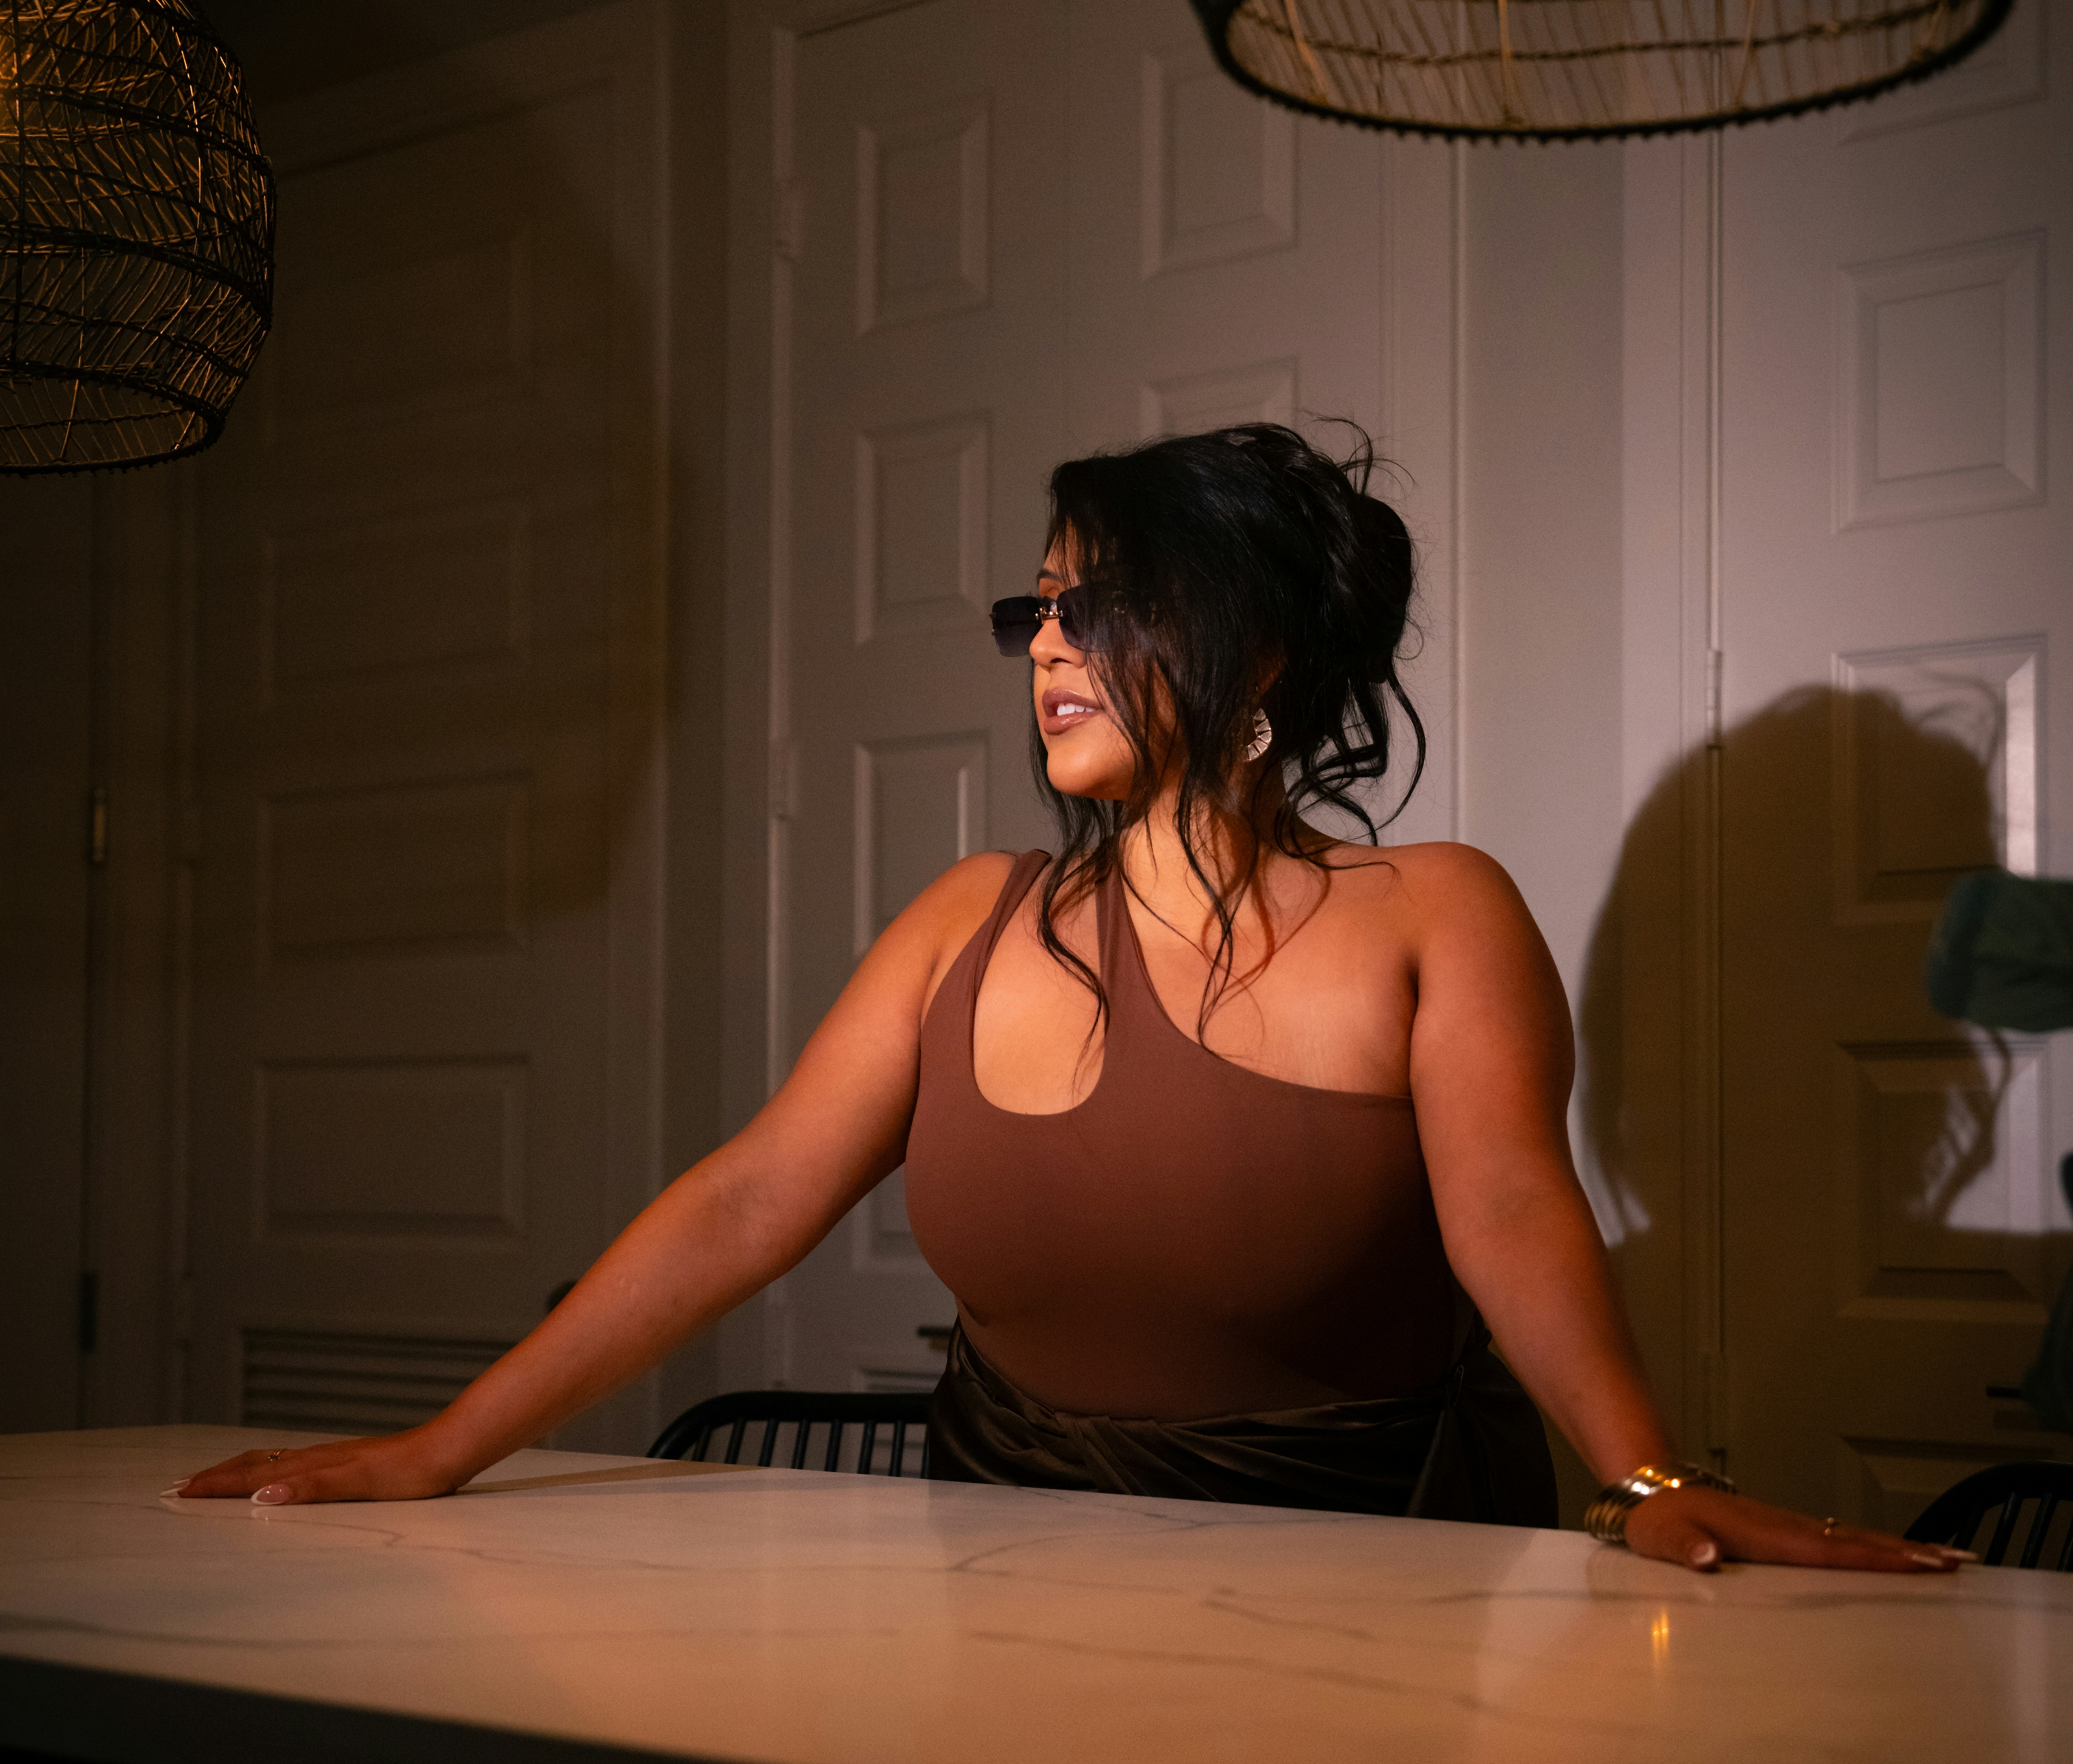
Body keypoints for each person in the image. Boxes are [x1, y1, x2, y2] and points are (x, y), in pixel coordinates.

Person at [179, 425, 1960, 1577]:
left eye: (1098, 604)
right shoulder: (970, 918)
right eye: (1034, 608)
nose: (1043, 645)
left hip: (1378, 1580)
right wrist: (441, 1450)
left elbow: (1508, 1208)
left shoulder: (1434, 911)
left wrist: (1648, 1484)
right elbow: (745, 1200)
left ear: (1258, 651)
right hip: (1006, 1574)